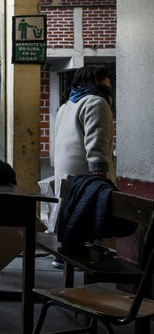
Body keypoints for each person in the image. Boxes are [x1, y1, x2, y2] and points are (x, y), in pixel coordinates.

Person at [48, 65, 115, 261]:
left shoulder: (67, 105)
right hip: (85, 170)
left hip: (66, 168)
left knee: (71, 212)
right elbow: (96, 138)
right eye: (106, 78)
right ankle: (78, 254)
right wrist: (99, 170)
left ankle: (64, 254)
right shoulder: (96, 102)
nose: (109, 82)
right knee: (88, 211)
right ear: (97, 81)